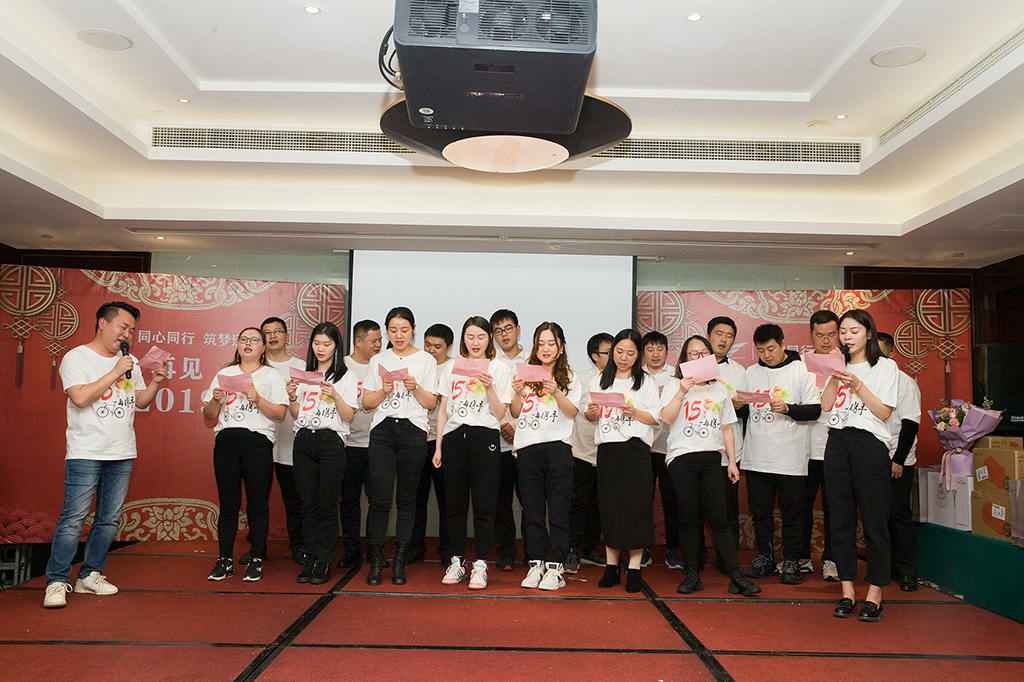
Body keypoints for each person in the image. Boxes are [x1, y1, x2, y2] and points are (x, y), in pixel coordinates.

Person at [43, 302, 169, 609]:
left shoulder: (130, 361)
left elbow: (139, 401)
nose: (127, 335)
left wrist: (155, 383)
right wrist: (114, 372)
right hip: (86, 450)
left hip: (122, 450)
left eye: (132, 331)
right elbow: (80, 397)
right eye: (123, 327)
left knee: (109, 519)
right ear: (102, 323)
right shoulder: (77, 357)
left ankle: (90, 575)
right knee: (73, 519)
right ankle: (56, 581)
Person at [661, 335, 761, 597]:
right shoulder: (673, 384)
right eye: (693, 354)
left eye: (703, 353)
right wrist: (682, 391)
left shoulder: (719, 388)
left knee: (720, 517)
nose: (698, 357)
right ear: (684, 359)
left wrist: (732, 462)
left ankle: (735, 575)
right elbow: (666, 418)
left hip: (712, 458)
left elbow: (727, 427)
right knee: (688, 517)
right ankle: (692, 574)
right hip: (682, 457)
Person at [821, 309, 900, 622]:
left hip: (870, 445)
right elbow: (826, 405)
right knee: (840, 518)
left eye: (853, 331)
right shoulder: (838, 365)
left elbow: (884, 412)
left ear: (868, 333)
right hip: (837, 442)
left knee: (874, 519)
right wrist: (833, 374)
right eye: (843, 331)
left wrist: (858, 385)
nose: (847, 337)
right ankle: (847, 591)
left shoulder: (886, 366)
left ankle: (875, 593)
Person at [201, 327, 289, 583]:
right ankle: (224, 560)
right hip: (227, 441)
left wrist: (257, 399)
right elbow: (209, 416)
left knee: (257, 503)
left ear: (263, 348)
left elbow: (280, 414)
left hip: (257, 442)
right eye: (243, 339)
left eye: (254, 340)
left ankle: (256, 558)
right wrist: (215, 400)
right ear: (237, 345)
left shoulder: (271, 376)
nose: (248, 343)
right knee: (228, 503)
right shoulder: (224, 374)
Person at [433, 317, 512, 589]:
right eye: (470, 336)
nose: (475, 342)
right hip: (455, 437)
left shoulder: (499, 368)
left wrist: (489, 387)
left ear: (489, 338)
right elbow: (443, 410)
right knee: (454, 504)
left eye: (480, 336)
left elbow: (501, 413)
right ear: (463, 339)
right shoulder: (451, 367)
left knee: (484, 504)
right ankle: (456, 561)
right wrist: (438, 446)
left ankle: (480, 564)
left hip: (485, 436)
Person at [361, 307, 438, 585]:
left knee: (407, 499)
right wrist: (383, 390)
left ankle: (400, 561)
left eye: (404, 330)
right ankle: (376, 560)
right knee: (380, 498)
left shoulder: (426, 360)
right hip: (383, 430)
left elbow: (431, 403)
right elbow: (366, 403)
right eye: (393, 330)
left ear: (413, 330)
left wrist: (415, 387)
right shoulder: (378, 360)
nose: (399, 335)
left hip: (413, 430)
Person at [741, 324, 820, 584]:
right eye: (761, 350)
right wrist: (737, 404)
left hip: (790, 457)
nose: (767, 355)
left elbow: (814, 410)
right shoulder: (750, 373)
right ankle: (764, 558)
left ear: (783, 344)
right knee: (760, 513)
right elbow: (742, 412)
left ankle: (791, 562)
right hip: (756, 456)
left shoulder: (801, 370)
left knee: (792, 514)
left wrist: (788, 408)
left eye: (771, 349)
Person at [585, 329, 661, 593]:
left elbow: (656, 418)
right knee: (610, 506)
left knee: (636, 508)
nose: (624, 357)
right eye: (619, 351)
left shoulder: (646, 382)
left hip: (635, 450)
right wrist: (592, 412)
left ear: (638, 355)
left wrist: (634, 411)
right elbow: (590, 416)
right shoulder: (599, 380)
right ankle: (611, 566)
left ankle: (635, 568)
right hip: (608, 450)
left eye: (630, 353)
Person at [511, 322, 581, 592]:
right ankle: (535, 563)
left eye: (551, 343)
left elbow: (572, 411)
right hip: (528, 447)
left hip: (557, 448)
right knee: (532, 510)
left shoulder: (569, 376)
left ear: (561, 347)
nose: (546, 349)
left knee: (559, 509)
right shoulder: (526, 373)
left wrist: (556, 391)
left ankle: (555, 566)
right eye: (541, 343)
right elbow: (516, 411)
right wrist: (518, 392)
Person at [288, 322, 359, 585]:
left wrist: (336, 395)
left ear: (336, 347)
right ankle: (310, 558)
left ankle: (324, 560)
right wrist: (292, 397)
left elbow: (349, 416)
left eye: (326, 344)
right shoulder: (306, 375)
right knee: (307, 503)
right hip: (304, 439)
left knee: (326, 503)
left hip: (331, 441)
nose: (321, 349)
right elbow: (297, 413)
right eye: (317, 343)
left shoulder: (346, 377)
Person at [259, 316, 307, 566]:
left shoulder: (300, 366)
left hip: (291, 443)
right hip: (260, 444)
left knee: (294, 500)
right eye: (267, 333)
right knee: (258, 499)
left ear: (287, 335)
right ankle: (258, 548)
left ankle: (299, 546)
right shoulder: (255, 366)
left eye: (278, 331)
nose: (273, 336)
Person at [878, 332, 921, 593]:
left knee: (898, 514)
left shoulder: (904, 382)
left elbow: (910, 424)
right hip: (871, 458)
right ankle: (885, 567)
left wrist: (898, 459)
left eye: (881, 351)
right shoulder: (867, 380)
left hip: (898, 458)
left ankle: (907, 571)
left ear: (891, 352)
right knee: (877, 516)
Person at [568, 332, 613, 573]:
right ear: (595, 356)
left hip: (608, 451)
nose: (616, 356)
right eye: (609, 352)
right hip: (582, 451)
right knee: (579, 503)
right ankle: (573, 549)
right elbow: (577, 410)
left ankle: (592, 548)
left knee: (600, 504)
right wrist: (589, 413)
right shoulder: (581, 379)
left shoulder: (622, 380)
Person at [706, 316, 747, 573]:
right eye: (719, 333)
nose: (724, 339)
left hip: (730, 450)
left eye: (729, 335)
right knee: (699, 506)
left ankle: (728, 560)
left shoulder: (740, 371)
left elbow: (746, 409)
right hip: (700, 447)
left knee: (728, 508)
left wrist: (739, 405)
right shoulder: (693, 368)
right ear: (709, 335)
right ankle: (694, 558)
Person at [339, 320, 381, 568]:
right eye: (374, 341)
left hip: (378, 444)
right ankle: (351, 550)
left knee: (378, 501)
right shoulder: (342, 366)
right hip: (348, 444)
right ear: (358, 342)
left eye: (380, 340)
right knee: (349, 500)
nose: (379, 345)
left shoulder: (383, 365)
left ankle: (375, 551)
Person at [410, 324, 454, 565]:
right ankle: (413, 547)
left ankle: (448, 550)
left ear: (449, 347)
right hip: (418, 438)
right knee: (416, 497)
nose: (431, 350)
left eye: (437, 346)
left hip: (444, 440)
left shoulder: (454, 368)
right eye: (427, 345)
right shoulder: (417, 364)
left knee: (447, 499)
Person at [804, 310, 840, 582]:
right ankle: (801, 558)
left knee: (835, 508)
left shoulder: (849, 363)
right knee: (800, 507)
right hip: (803, 449)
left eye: (831, 334)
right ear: (811, 334)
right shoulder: (799, 364)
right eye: (820, 335)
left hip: (837, 449)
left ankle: (832, 559)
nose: (826, 340)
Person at [491, 309, 528, 570]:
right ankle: (505, 552)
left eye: (508, 328)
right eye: (498, 331)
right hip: (501, 442)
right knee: (501, 502)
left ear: (518, 329)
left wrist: (518, 429)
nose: (504, 335)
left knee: (530, 501)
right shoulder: (490, 363)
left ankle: (532, 552)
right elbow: (488, 400)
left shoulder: (533, 360)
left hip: (527, 442)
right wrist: (503, 424)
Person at [642, 330, 681, 570]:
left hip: (669, 447)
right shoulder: (637, 376)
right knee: (641, 501)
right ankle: (642, 549)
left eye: (660, 349)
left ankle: (673, 549)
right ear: (643, 352)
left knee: (673, 500)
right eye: (650, 349)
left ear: (667, 351)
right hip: (643, 448)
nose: (655, 354)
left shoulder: (676, 376)